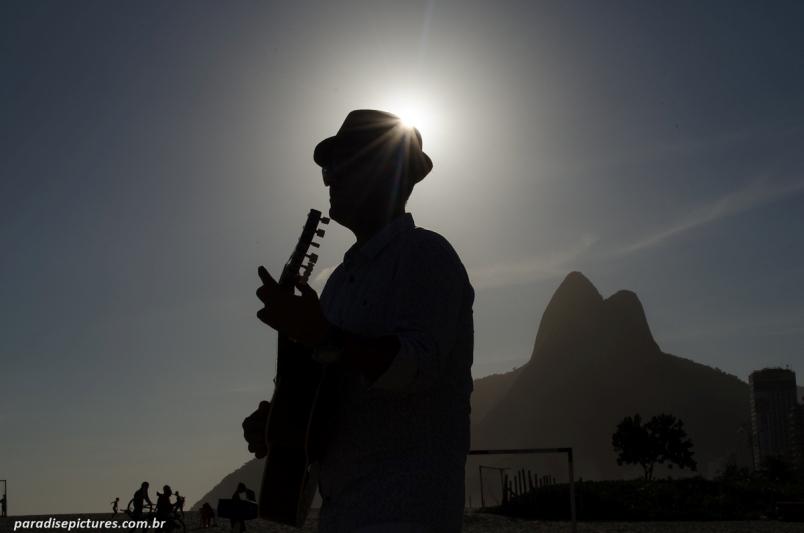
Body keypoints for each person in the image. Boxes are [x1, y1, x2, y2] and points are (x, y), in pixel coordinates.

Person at [244, 110, 474, 533]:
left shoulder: (426, 254)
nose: (328, 178)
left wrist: (324, 336)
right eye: (326, 169)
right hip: (340, 512)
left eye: (339, 165)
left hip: (406, 510)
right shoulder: (335, 286)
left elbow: (419, 364)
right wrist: (281, 422)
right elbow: (331, 391)